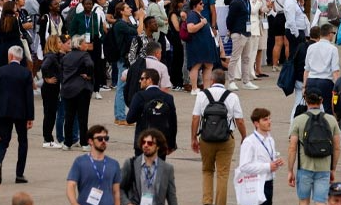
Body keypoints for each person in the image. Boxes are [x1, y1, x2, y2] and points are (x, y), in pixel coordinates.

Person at [191, 69, 246, 205]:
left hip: (206, 138)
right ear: (224, 81)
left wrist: (193, 138)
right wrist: (244, 136)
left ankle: (207, 202)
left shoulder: (202, 95)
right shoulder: (232, 96)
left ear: (212, 80)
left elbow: (195, 118)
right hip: (226, 139)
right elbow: (239, 120)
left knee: (207, 170)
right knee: (223, 174)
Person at [287, 91, 341, 205]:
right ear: (321, 101)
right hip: (324, 167)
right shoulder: (331, 120)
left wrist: (290, 170)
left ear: (306, 100)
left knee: (303, 201)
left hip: (304, 167)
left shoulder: (298, 120)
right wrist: (333, 168)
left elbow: (292, 147)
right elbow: (337, 147)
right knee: (320, 201)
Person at [0, 46, 33, 184]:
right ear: (20, 57)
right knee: (23, 141)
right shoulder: (26, 73)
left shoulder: (0, 71)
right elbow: (29, 96)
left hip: (4, 111)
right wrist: (30, 117)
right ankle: (19, 174)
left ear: (10, 56)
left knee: (3, 140)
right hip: (21, 112)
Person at [125, 69, 177, 157]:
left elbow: (130, 119)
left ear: (149, 80)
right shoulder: (168, 98)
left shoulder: (140, 96)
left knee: (141, 165)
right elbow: (172, 123)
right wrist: (171, 144)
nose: (140, 81)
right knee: (159, 165)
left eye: (142, 78)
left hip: (143, 141)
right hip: (160, 141)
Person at [119, 128, 179, 205]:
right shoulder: (131, 164)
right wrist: (127, 203)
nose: (146, 145)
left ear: (158, 146)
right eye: (143, 142)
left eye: (150, 143)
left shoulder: (167, 169)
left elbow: (171, 197)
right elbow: (119, 188)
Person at [236, 108, 283, 205]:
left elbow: (269, 158)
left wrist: (276, 162)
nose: (269, 122)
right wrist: (268, 166)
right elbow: (244, 166)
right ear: (256, 123)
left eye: (269, 118)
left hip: (269, 182)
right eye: (265, 120)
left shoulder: (270, 139)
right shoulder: (249, 142)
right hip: (255, 184)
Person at [66, 125, 122, 205]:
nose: (103, 141)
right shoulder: (80, 162)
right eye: (100, 139)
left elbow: (116, 192)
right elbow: (71, 186)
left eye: (106, 138)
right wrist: (75, 203)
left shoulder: (114, 164)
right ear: (90, 141)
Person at [62, 35, 96, 151]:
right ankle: (84, 143)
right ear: (80, 45)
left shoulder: (66, 56)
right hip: (81, 89)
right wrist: (89, 75)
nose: (87, 45)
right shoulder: (84, 55)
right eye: (85, 43)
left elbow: (62, 70)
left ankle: (67, 143)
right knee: (82, 117)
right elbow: (90, 65)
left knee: (69, 117)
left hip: (68, 88)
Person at [304, 23, 341, 113]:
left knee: (311, 107)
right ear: (330, 34)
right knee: (327, 108)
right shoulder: (333, 49)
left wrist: (304, 86)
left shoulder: (311, 47)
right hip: (325, 81)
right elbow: (335, 71)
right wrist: (338, 87)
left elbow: (306, 69)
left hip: (311, 80)